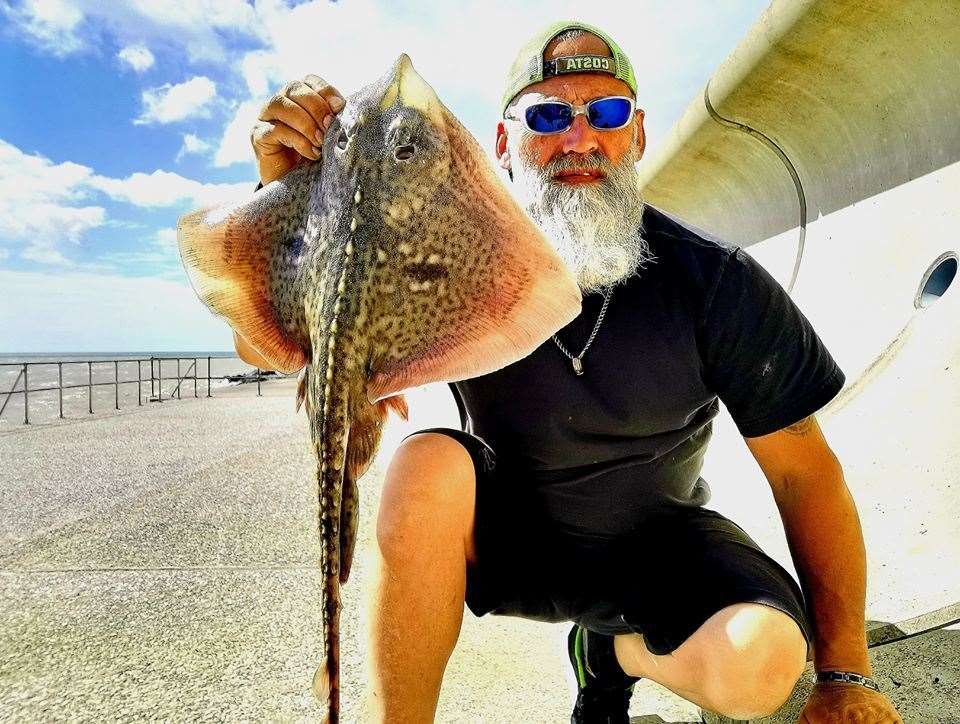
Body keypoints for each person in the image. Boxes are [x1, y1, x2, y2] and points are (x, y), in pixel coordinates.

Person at [244, 20, 903, 724]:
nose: (580, 138)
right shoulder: (451, 266)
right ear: (504, 142)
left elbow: (805, 472)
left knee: (764, 660)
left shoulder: (713, 282)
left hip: (661, 542)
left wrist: (846, 674)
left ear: (638, 134)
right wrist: (297, 199)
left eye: (608, 113)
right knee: (425, 463)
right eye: (549, 115)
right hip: (511, 540)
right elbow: (281, 349)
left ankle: (614, 656)